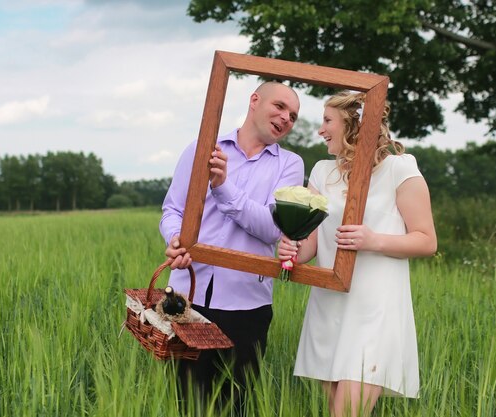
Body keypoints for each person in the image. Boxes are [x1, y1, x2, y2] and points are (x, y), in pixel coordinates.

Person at [278, 91, 437, 417]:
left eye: (327, 121)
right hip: (329, 305)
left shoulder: (399, 169)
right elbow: (310, 243)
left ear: (352, 124)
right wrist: (292, 246)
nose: (320, 130)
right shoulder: (322, 172)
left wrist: (373, 240)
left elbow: (426, 241)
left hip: (374, 312)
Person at [159, 81, 304, 411]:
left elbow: (272, 228)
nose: (286, 118)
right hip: (186, 299)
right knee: (184, 403)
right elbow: (173, 210)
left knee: (235, 405)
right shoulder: (203, 147)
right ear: (254, 100)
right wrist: (174, 239)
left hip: (247, 307)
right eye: (279, 107)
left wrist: (224, 187)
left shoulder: (289, 165)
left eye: (293, 116)